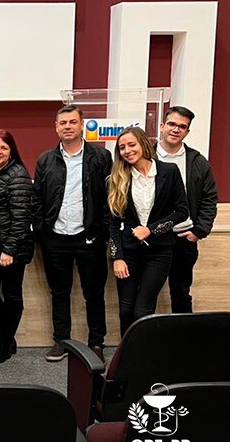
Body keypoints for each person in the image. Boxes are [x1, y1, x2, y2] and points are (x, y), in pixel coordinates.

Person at [33, 105, 112, 363]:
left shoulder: (100, 157)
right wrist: (41, 228)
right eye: (62, 122)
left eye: (72, 122)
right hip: (55, 237)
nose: (67, 126)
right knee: (59, 292)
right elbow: (37, 198)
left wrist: (102, 230)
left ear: (81, 125)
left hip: (89, 236)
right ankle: (61, 341)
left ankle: (96, 342)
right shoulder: (46, 159)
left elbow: (109, 198)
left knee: (94, 292)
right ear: (56, 127)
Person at [108, 127, 188, 336]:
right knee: (126, 310)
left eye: (131, 144)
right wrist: (117, 257)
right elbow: (113, 222)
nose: (127, 150)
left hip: (160, 252)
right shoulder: (118, 178)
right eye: (122, 147)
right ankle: (126, 359)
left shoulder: (169, 171)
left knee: (142, 310)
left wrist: (151, 230)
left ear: (143, 144)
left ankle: (142, 357)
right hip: (129, 252)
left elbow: (182, 211)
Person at [0, 130, 36, 365]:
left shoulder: (18, 175)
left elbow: (22, 217)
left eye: (3, 148)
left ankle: (5, 343)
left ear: (11, 151)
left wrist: (9, 250)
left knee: (11, 295)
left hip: (12, 248)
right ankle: (6, 338)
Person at [156, 106, 218, 314]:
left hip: (183, 238)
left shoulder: (197, 161)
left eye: (182, 127)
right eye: (172, 124)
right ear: (162, 126)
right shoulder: (146, 156)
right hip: (151, 238)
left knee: (181, 292)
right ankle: (143, 343)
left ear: (187, 132)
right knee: (145, 293)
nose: (176, 129)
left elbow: (210, 198)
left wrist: (199, 230)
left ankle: (183, 343)